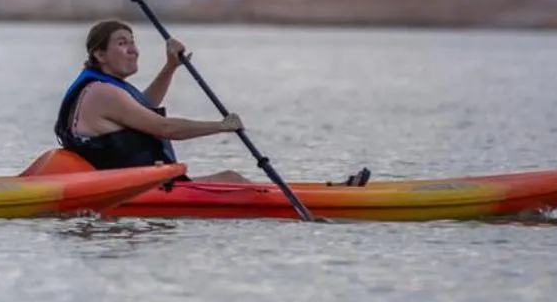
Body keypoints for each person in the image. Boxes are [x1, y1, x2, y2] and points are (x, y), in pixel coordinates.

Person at [56, 20, 371, 186]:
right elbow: (162, 127)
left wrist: (170, 66)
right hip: (135, 192)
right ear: (99, 54)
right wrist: (221, 127)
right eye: (122, 43)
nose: (134, 50)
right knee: (233, 180)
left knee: (233, 179)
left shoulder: (103, 88)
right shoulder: (103, 93)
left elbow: (145, 105)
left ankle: (329, 188)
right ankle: (324, 195)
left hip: (137, 184)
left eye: (133, 41)